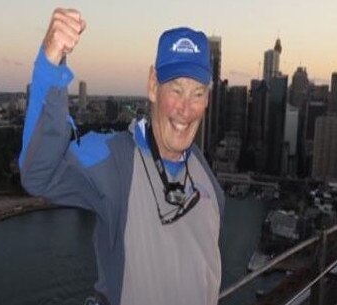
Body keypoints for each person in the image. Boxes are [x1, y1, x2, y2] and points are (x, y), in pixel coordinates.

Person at [19, 8, 224, 305]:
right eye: (176, 90)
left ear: (208, 98)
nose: (186, 108)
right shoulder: (115, 159)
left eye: (197, 93)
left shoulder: (203, 172)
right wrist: (50, 64)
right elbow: (39, 175)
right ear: (152, 85)